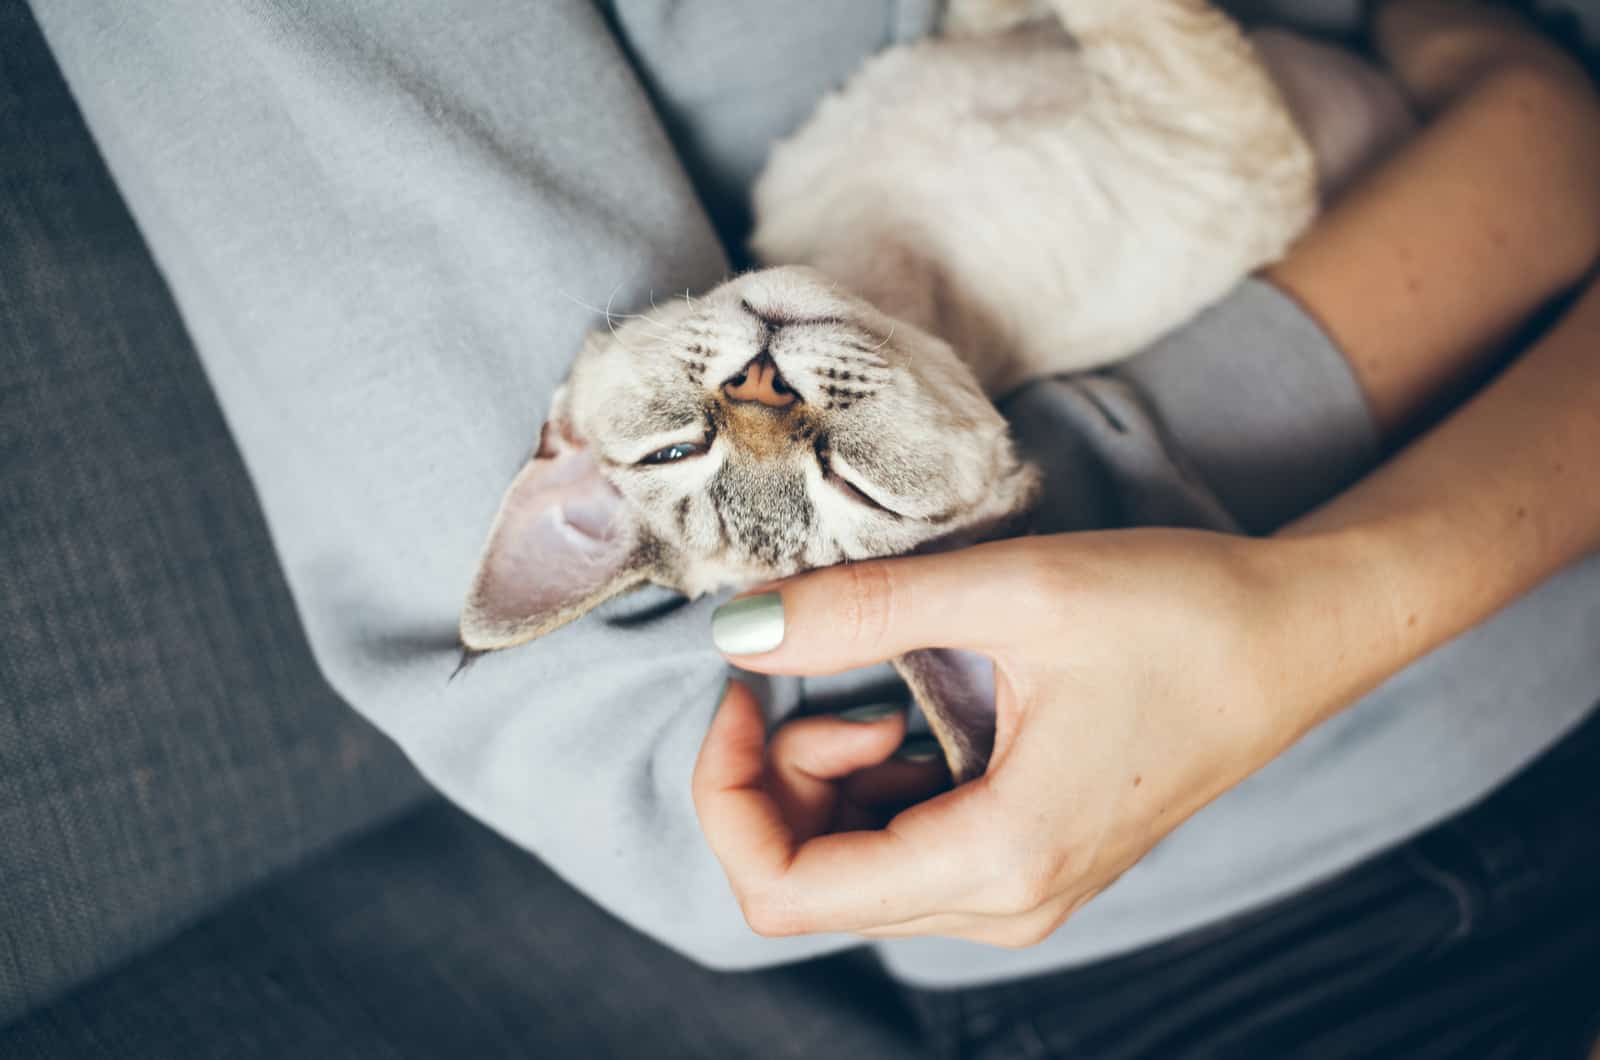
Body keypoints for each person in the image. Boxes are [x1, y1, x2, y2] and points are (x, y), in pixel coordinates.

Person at [28, 0, 1599, 1054]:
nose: (766, 396)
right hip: (1279, 942)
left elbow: (1547, 124)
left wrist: (1311, 603)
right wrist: (1512, 123)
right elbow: (668, 731)